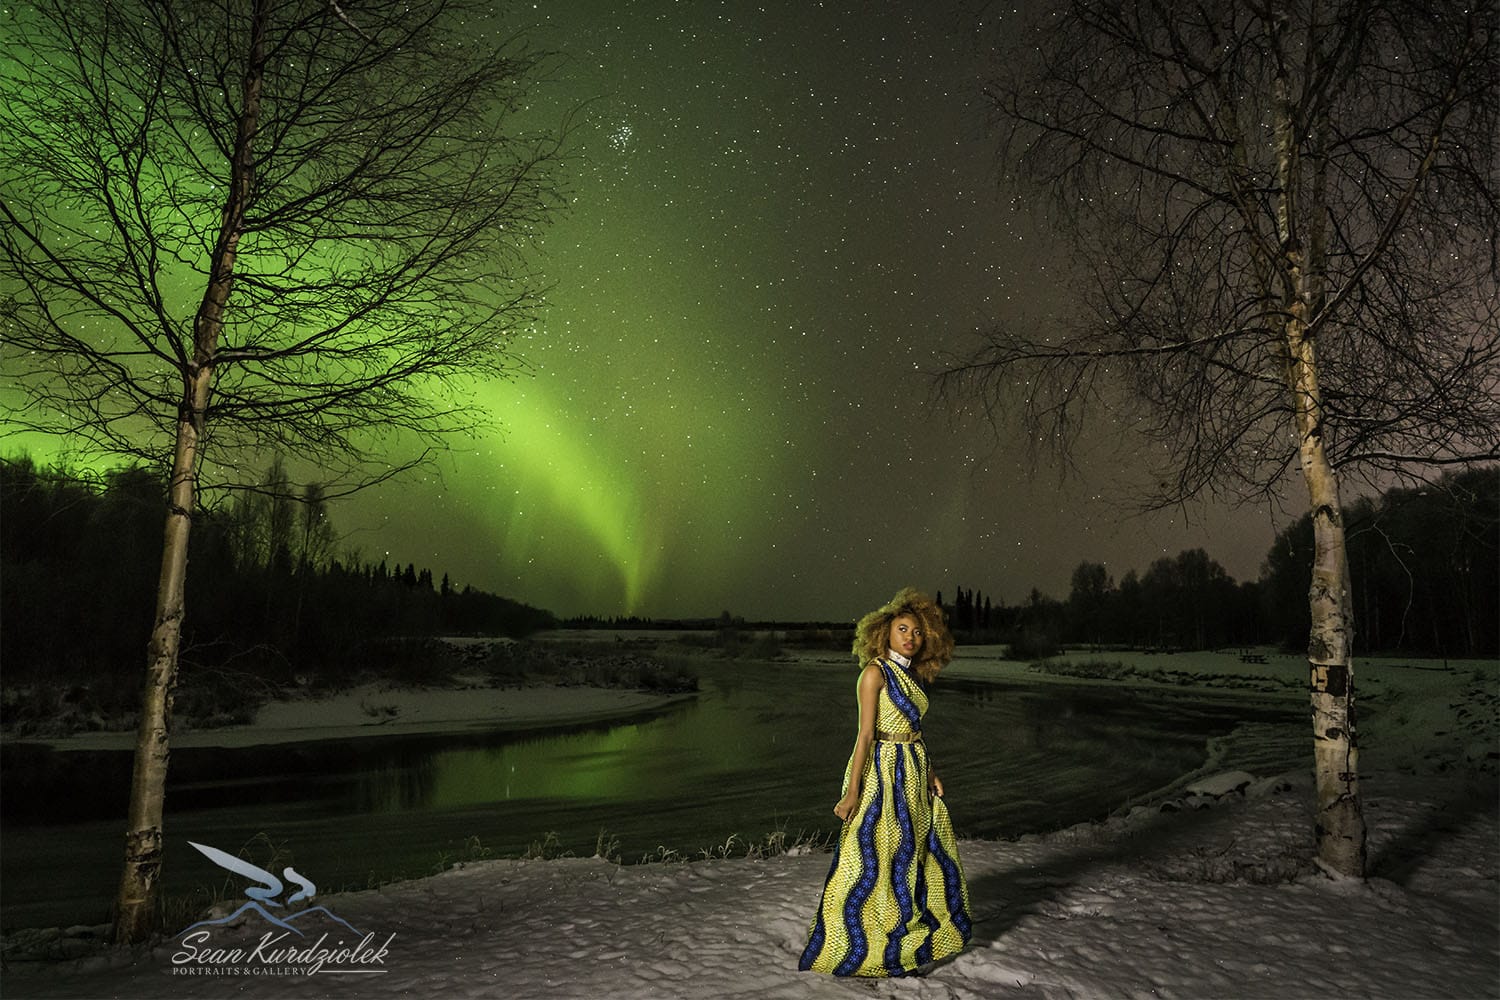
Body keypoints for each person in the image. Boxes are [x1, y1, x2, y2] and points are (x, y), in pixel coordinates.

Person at [797, 587, 972, 977]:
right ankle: (861, 946)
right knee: (872, 858)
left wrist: (930, 772)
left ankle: (905, 944)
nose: (910, 638)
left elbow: (915, 731)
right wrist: (852, 792)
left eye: (917, 633)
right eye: (902, 630)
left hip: (913, 771)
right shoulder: (874, 673)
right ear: (884, 633)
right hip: (881, 772)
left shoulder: (914, 676)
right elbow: (864, 736)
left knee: (912, 857)